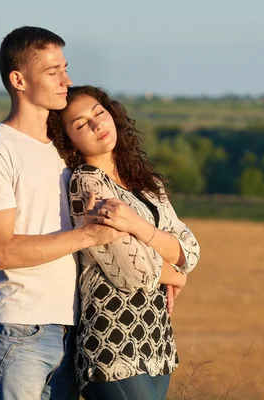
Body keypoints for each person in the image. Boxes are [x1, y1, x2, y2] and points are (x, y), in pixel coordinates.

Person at [0, 27, 125, 400]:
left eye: (64, 68)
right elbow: (3, 251)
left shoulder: (65, 148)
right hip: (20, 328)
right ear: (18, 80)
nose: (66, 80)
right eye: (53, 72)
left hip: (76, 328)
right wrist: (88, 235)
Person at [47, 85, 200, 399]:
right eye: (80, 124)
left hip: (155, 339)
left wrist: (137, 226)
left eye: (99, 113)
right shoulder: (87, 183)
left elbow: (190, 250)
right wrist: (175, 274)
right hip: (111, 342)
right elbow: (134, 271)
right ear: (68, 141)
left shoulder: (147, 183)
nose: (96, 124)